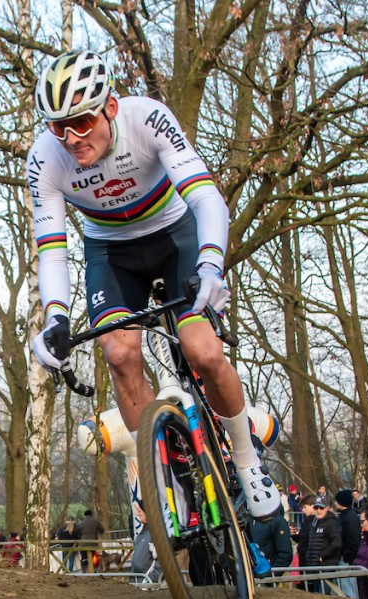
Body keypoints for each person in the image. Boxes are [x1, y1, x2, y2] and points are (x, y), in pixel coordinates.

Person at [26, 50, 280, 520]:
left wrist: (210, 266)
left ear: (111, 107)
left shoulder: (148, 119)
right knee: (120, 355)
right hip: (112, 254)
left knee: (203, 350)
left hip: (175, 235)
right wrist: (56, 317)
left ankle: (246, 459)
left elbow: (207, 200)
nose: (71, 138)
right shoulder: (45, 158)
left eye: (81, 121)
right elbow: (52, 248)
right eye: (58, 126)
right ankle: (163, 477)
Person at [301, 496, 343, 594]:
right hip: (315, 565)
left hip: (326, 565)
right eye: (316, 508)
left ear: (327, 508)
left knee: (324, 594)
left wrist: (322, 555)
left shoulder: (331, 523)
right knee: (317, 595)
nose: (318, 510)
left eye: (321, 508)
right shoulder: (314, 523)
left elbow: (337, 542)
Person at [333, 489, 362, 599]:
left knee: (348, 588)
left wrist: (347, 556)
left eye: (337, 501)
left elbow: (354, 539)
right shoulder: (343, 516)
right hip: (342, 556)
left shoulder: (351, 517)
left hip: (347, 559)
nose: (335, 503)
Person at [248, 512, 294, 582]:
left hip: (266, 578)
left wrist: (270, 575)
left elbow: (285, 554)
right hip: (246, 578)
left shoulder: (278, 521)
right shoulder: (246, 520)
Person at [76, 508, 105, 573]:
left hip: (83, 543)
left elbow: (77, 531)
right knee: (93, 557)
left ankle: (84, 571)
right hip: (93, 543)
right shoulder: (96, 521)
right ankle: (93, 571)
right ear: (91, 514)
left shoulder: (81, 523)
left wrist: (80, 537)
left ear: (85, 515)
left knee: (84, 558)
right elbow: (102, 530)